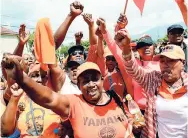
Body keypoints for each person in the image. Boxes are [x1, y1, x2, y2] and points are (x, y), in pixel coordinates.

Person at [3, 55, 137, 137]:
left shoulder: (116, 98)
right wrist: (21, 78)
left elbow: (130, 121)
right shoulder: (73, 103)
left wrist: (133, 125)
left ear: (102, 80)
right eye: (85, 81)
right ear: (78, 86)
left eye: (94, 79)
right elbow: (48, 97)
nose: (91, 84)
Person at [114, 28, 188, 138]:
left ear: (183, 63)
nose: (165, 64)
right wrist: (125, 47)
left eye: (171, 60)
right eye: (162, 61)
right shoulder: (153, 80)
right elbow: (133, 69)